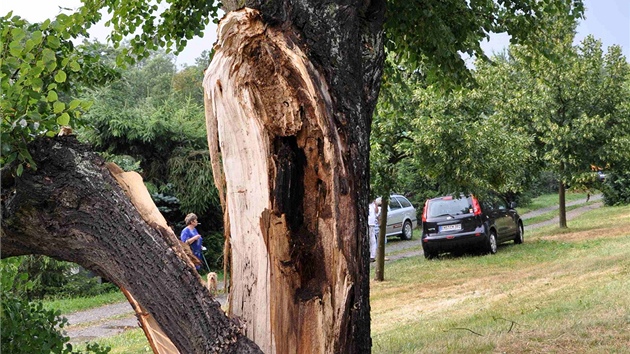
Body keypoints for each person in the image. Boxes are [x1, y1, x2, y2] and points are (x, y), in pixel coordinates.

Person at [368, 198, 380, 262]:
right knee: (370, 241)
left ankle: (372, 256)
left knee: (372, 241)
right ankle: (370, 255)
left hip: (371, 225)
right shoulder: (368, 205)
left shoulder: (373, 205)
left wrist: (375, 204)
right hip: (368, 224)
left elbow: (377, 212)